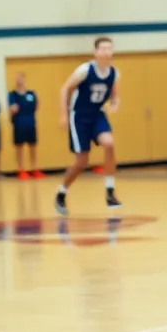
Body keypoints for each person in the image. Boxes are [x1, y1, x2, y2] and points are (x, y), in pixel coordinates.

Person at [55, 37, 121, 215]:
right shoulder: (85, 70)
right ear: (96, 52)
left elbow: (115, 95)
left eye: (110, 48)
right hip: (79, 116)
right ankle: (61, 192)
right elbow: (65, 89)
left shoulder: (114, 73)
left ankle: (109, 191)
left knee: (109, 143)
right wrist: (63, 114)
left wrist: (115, 103)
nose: (107, 52)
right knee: (82, 161)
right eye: (103, 48)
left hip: (97, 114)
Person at [8, 74, 40, 179]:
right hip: (18, 124)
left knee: (33, 146)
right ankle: (21, 169)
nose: (19, 80)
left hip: (30, 123)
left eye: (21, 78)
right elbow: (12, 109)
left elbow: (36, 106)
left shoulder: (31, 94)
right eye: (17, 78)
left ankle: (34, 169)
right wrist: (12, 110)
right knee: (19, 147)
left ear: (24, 79)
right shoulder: (12, 95)